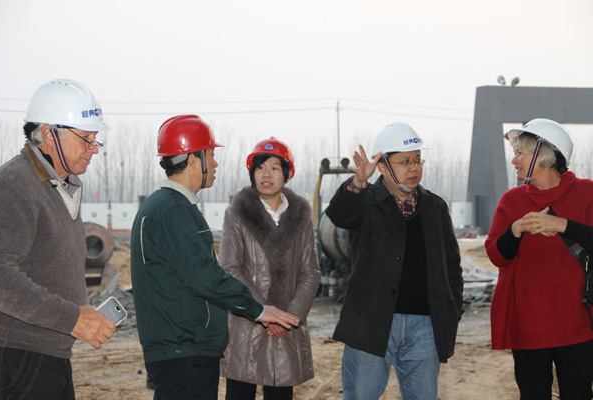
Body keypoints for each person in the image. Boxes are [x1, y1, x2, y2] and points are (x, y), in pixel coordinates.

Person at [130, 117, 301, 400]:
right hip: (185, 349)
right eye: (211, 155)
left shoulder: (169, 206)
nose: (216, 163)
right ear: (193, 160)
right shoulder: (173, 210)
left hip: (183, 348)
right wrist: (258, 310)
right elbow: (203, 277)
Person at [0, 78, 116, 399]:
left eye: (96, 140)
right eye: (86, 138)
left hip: (51, 351)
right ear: (49, 134)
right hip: (18, 355)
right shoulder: (14, 185)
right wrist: (72, 318)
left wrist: (76, 314)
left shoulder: (60, 186)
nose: (94, 149)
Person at [325, 122, 464, 400]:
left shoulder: (434, 207)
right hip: (370, 322)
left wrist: (451, 310)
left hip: (425, 327)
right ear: (383, 166)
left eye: (417, 160)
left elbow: (451, 265)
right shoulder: (366, 202)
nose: (414, 168)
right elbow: (339, 214)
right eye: (404, 162)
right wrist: (358, 183)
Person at [485, 118, 593, 399]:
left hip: (580, 323)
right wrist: (515, 230)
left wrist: (563, 225)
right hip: (529, 325)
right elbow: (496, 255)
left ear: (543, 155)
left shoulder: (587, 193)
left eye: (520, 153)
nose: (514, 161)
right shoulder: (511, 200)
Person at [219, 137, 320, 400]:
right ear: (252, 173)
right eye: (260, 167)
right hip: (247, 324)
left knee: (280, 393)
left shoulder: (301, 216)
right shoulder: (236, 214)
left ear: (286, 174)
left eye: (275, 168)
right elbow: (230, 268)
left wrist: (290, 317)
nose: (266, 174)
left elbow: (310, 272)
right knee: (240, 393)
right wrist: (266, 313)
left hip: (286, 327)